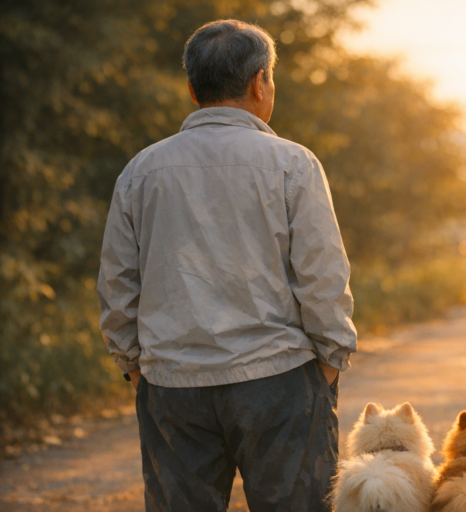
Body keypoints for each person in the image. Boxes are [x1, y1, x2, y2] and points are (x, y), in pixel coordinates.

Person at [97, 19, 357, 512]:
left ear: (193, 89)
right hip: (279, 381)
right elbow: (322, 275)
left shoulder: (141, 170)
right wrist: (331, 359)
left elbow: (117, 282)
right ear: (261, 82)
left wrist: (133, 363)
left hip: (173, 387)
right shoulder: (293, 164)